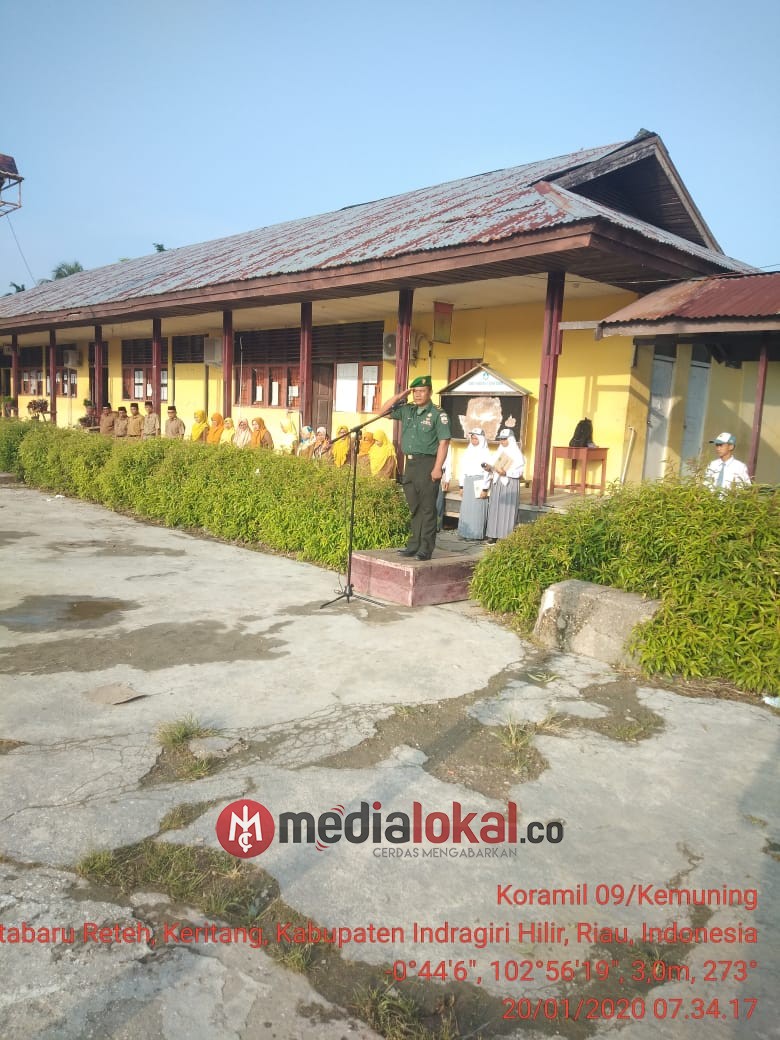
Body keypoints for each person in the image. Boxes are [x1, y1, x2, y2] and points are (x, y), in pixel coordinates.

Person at [384, 374, 451, 561]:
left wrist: (438, 467)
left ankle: (425, 549)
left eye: (422, 391)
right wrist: (400, 396)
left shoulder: (438, 414)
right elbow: (382, 412)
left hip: (428, 463)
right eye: (415, 391)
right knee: (414, 507)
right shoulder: (408, 410)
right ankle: (413, 545)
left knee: (428, 508)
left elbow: (444, 442)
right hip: (411, 464)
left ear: (430, 392)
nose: (418, 394)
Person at [484, 428, 525, 542]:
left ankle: (505, 537)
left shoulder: (517, 454)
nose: (502, 441)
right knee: (495, 509)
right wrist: (489, 468)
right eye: (501, 439)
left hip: (509, 484)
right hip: (497, 483)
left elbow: (519, 472)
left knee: (507, 510)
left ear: (510, 439)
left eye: (504, 439)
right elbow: (494, 466)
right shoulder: (499, 452)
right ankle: (493, 535)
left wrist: (506, 473)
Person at [457, 428, 491, 540]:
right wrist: (461, 486)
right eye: (472, 438)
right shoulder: (468, 451)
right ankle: (465, 533)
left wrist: (485, 488)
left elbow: (487, 472)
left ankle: (475, 535)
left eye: (476, 438)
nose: (474, 440)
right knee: (467, 508)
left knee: (477, 509)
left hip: (479, 482)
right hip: (468, 481)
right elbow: (462, 468)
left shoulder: (485, 452)